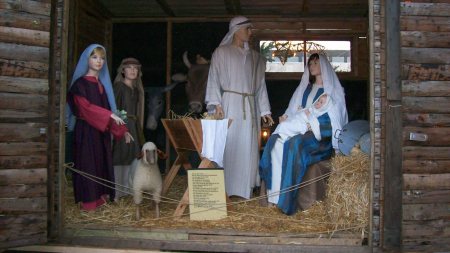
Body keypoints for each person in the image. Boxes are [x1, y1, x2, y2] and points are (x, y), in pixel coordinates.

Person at [259, 53, 348, 215]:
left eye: (316, 63)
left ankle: (286, 201)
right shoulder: (304, 89)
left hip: (319, 137)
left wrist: (313, 125)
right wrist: (286, 116)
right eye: (310, 63)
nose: (312, 66)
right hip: (299, 129)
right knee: (274, 141)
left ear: (324, 66)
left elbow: (335, 118)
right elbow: (294, 109)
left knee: (295, 144)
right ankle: (273, 197)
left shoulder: (333, 91)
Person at [205, 16, 274, 199]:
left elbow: (260, 87)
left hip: (250, 108)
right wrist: (216, 103)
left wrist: (265, 110)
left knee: (247, 145)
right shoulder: (221, 52)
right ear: (236, 30)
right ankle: (225, 188)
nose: (250, 33)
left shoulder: (256, 58)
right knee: (230, 143)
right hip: (229, 105)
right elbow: (214, 78)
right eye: (247, 29)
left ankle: (244, 188)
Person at [66, 44, 133, 211]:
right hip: (85, 132)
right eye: (94, 57)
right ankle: (89, 203)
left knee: (101, 164)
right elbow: (85, 108)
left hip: (100, 133)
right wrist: (109, 115)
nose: (99, 61)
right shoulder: (79, 85)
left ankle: (100, 200)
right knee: (88, 164)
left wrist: (122, 131)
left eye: (102, 58)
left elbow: (110, 112)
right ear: (86, 59)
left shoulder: (102, 85)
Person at [112, 57, 145, 202]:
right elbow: (115, 110)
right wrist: (122, 130)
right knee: (120, 156)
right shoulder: (119, 87)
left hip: (133, 126)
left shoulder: (136, 90)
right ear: (123, 70)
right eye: (129, 67)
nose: (132, 70)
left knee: (133, 156)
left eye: (135, 68)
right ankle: (117, 193)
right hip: (122, 126)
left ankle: (130, 190)